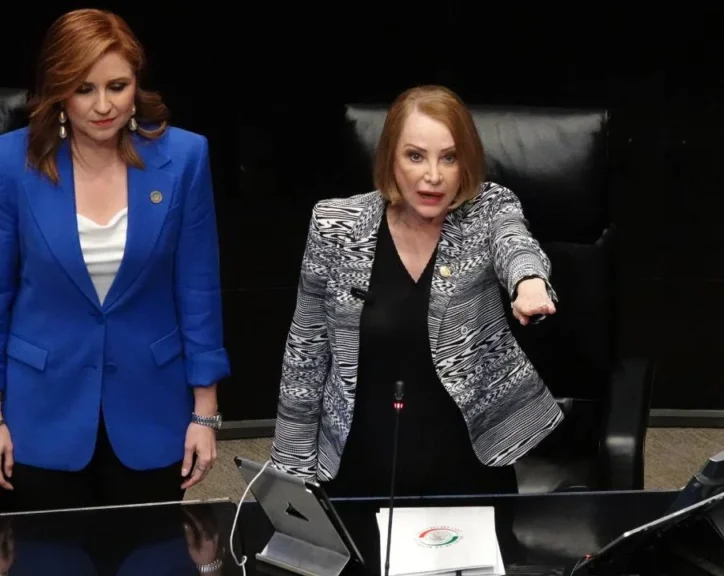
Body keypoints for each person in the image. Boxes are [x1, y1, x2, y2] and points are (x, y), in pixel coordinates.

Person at [270, 85, 564, 497]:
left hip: (468, 463)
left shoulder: (488, 208)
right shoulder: (335, 226)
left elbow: (514, 243)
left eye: (449, 157)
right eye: (415, 156)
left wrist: (528, 282)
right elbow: (306, 355)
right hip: (360, 463)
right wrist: (291, 479)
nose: (433, 176)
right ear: (390, 158)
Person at [0, 9, 229, 511]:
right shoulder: (11, 163)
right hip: (40, 411)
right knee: (45, 549)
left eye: (117, 86)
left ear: (136, 85)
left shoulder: (185, 158)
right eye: (84, 89)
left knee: (154, 547)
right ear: (58, 91)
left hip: (153, 409)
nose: (103, 105)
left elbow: (198, 290)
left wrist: (205, 411)